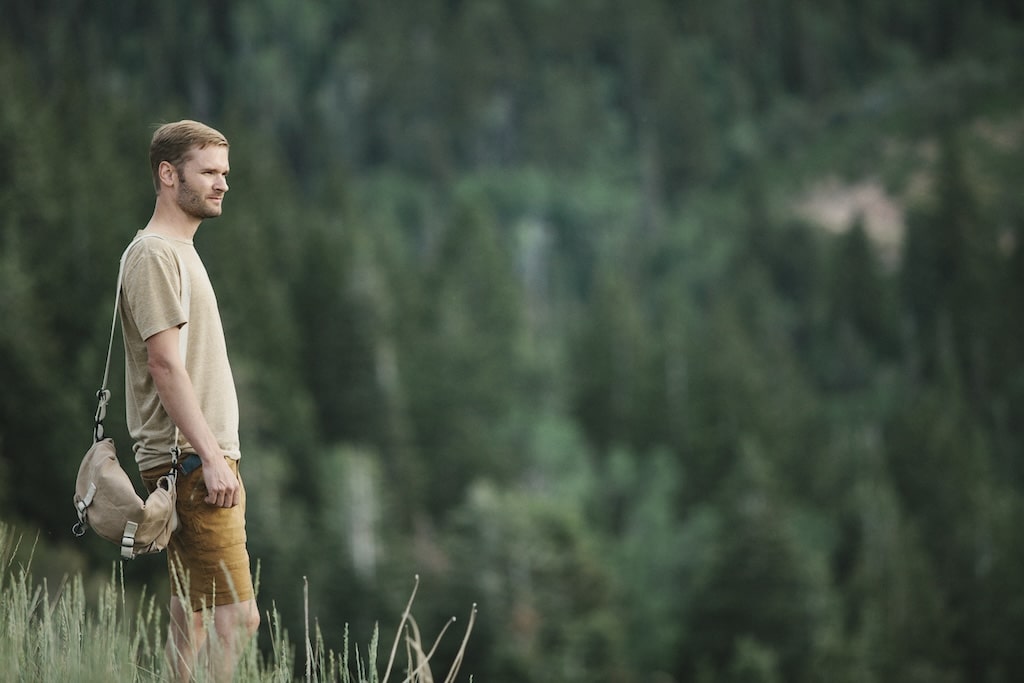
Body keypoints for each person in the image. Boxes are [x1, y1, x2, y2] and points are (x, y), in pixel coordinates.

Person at [119, 119, 259, 682]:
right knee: (237, 617)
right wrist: (212, 457)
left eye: (225, 173)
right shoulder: (155, 254)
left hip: (197, 458)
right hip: (195, 460)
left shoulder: (177, 249)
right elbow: (165, 364)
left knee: (193, 612)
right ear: (168, 173)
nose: (222, 184)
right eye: (208, 172)